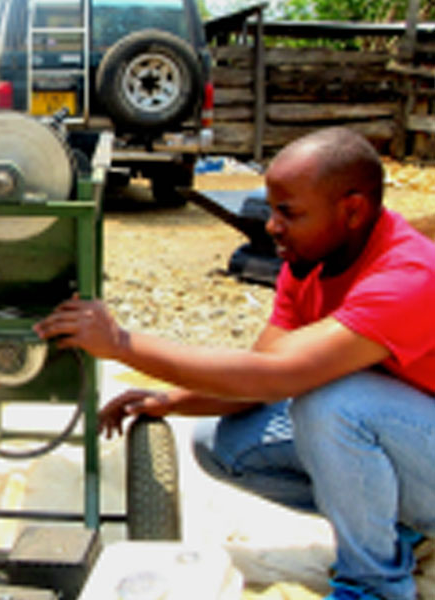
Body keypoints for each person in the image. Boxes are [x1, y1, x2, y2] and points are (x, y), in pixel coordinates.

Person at [34, 127, 435, 600]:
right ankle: (396, 526)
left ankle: (376, 585)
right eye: (273, 209)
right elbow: (259, 373)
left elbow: (280, 376)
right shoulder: (307, 264)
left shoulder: (409, 276)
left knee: (328, 402)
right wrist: (173, 400)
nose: (271, 226)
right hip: (407, 441)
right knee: (221, 444)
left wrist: (122, 342)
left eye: (289, 213)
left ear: (351, 210)